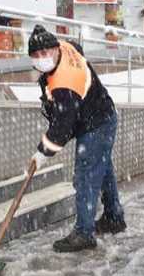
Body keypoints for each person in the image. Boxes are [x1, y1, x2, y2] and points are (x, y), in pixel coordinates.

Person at [28, 25, 125, 253]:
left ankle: (84, 233)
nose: (41, 59)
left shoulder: (65, 82)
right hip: (102, 114)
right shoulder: (65, 46)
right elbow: (78, 48)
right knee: (102, 169)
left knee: (85, 176)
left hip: (96, 123)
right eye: (35, 56)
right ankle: (114, 218)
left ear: (54, 50)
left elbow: (62, 127)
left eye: (45, 54)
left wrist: (42, 152)